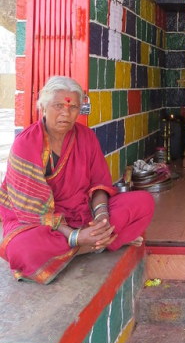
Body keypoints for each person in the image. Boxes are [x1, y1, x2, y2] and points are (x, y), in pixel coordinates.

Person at [0, 76, 155, 284]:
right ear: (43, 107)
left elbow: (99, 184)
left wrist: (102, 217)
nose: (66, 113)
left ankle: (90, 241)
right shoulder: (25, 144)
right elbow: (30, 210)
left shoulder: (86, 136)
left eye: (73, 107)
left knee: (143, 202)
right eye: (58, 106)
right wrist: (75, 237)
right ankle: (89, 246)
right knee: (22, 250)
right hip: (39, 220)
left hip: (82, 212)